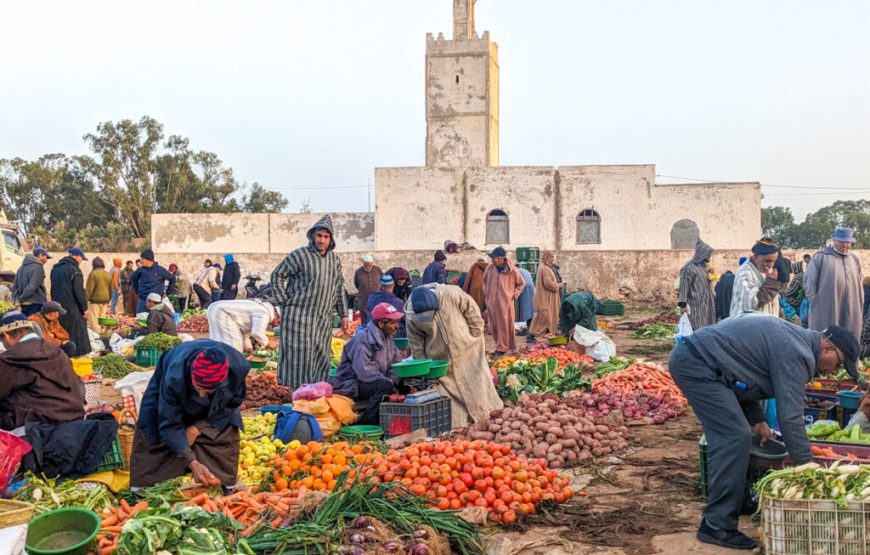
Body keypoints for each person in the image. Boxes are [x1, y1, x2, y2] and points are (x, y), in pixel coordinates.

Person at [669, 315, 858, 550]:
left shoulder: (796, 342)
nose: (834, 372)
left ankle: (736, 501)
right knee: (734, 436)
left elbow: (741, 375)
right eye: (839, 364)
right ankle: (716, 525)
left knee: (742, 434)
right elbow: (790, 418)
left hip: (708, 367)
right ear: (828, 347)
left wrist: (757, 419)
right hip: (696, 366)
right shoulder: (797, 352)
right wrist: (808, 468)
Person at [0, 313, 118, 478]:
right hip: (73, 428)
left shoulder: (11, 359)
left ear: (6, 335)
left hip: (36, 436)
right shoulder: (57, 351)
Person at [130, 340, 250, 488]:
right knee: (154, 433)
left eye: (208, 391)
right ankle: (146, 490)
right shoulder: (174, 376)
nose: (201, 394)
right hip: (168, 395)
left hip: (216, 406)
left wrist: (198, 428)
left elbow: (233, 403)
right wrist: (191, 461)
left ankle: (223, 487)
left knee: (223, 432)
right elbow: (170, 422)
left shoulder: (238, 369)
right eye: (198, 387)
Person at [405, 285, 504, 427]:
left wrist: (476, 333)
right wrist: (423, 365)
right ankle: (459, 424)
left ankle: (487, 413)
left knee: (477, 384)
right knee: (447, 393)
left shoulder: (452, 294)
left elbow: (472, 311)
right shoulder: (411, 313)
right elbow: (415, 342)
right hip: (439, 360)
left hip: (467, 350)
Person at [270, 215, 349, 387]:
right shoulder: (300, 255)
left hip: (322, 318)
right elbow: (277, 275)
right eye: (319, 236)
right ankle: (291, 394)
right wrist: (283, 301)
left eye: (326, 237)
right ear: (312, 236)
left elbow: (339, 287)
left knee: (320, 355)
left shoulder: (334, 260)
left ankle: (314, 393)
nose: (322, 240)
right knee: (297, 356)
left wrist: (344, 314)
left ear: (331, 239)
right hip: (298, 317)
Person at [329, 302, 404, 425]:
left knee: (404, 382)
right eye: (392, 322)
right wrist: (387, 381)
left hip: (376, 381)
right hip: (352, 384)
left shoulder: (388, 338)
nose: (397, 326)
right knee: (384, 386)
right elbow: (364, 372)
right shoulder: (363, 339)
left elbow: (397, 363)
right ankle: (367, 423)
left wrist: (393, 379)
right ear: (381, 324)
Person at [804, 227, 864, 342]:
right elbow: (809, 285)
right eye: (842, 241)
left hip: (852, 308)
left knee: (849, 342)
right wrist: (817, 306)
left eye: (848, 242)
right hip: (827, 310)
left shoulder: (854, 259)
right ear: (834, 240)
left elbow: (859, 282)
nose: (845, 245)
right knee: (826, 342)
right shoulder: (820, 257)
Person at [482, 247, 525, 355]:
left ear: (501, 259)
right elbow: (484, 281)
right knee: (493, 325)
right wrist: (487, 294)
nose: (492, 260)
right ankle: (500, 345)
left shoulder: (513, 270)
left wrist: (513, 295)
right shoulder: (490, 268)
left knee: (504, 325)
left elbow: (521, 283)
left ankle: (502, 348)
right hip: (491, 302)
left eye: (494, 258)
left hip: (505, 302)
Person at [49, 248, 90, 357]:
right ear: (77, 256)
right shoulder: (74, 270)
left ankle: (61, 355)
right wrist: (84, 309)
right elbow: (79, 292)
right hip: (73, 307)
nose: (81, 261)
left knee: (61, 331)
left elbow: (53, 289)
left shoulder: (55, 269)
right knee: (76, 333)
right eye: (81, 259)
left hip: (59, 307)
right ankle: (76, 355)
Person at [729, 238, 781, 318]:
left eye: (774, 261)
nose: (771, 265)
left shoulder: (764, 271)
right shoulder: (745, 273)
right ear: (756, 256)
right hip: (748, 326)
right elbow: (752, 302)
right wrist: (771, 283)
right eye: (767, 261)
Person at [207, 298, 279, 354]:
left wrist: (248, 347)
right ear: (276, 315)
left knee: (218, 340)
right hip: (222, 312)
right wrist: (268, 343)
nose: (276, 325)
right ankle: (229, 369)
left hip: (214, 307)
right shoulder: (265, 312)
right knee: (234, 347)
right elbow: (257, 332)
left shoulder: (262, 308)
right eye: (278, 322)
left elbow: (246, 331)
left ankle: (215, 365)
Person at [677, 239, 716, 331]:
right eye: (708, 254)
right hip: (695, 305)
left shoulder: (704, 266)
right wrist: (683, 305)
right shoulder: (689, 267)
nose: (710, 256)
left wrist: (711, 273)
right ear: (702, 253)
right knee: (696, 327)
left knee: (707, 328)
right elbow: (684, 286)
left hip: (706, 304)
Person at [529, 251, 563, 340]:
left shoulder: (544, 267)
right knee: (543, 316)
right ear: (547, 257)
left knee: (544, 316)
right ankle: (531, 335)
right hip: (545, 297)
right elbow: (548, 283)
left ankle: (541, 334)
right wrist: (558, 285)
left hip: (547, 297)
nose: (552, 259)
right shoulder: (544, 269)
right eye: (551, 257)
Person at [131, 249, 175, 314]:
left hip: (156, 302)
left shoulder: (160, 270)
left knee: (156, 320)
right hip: (143, 300)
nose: (141, 261)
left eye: (142, 259)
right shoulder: (140, 270)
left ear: (148, 259)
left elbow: (172, 278)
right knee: (141, 320)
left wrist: (167, 292)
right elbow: (133, 279)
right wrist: (137, 290)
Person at [12, 247, 51, 317]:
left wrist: (17, 300)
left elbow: (15, 286)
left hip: (24, 305)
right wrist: (21, 299)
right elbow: (32, 287)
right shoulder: (38, 268)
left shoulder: (21, 268)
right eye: (46, 257)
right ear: (40, 255)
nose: (46, 260)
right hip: (35, 304)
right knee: (35, 326)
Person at [85, 256, 113, 332]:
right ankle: (103, 334)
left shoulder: (93, 274)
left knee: (94, 320)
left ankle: (97, 336)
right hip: (105, 301)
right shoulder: (108, 274)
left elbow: (89, 290)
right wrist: (109, 298)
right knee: (102, 320)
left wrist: (85, 301)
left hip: (95, 302)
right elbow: (111, 289)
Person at [354, 254, 382, 325]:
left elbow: (382, 282)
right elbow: (356, 284)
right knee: (365, 321)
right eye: (366, 265)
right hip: (364, 300)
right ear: (363, 263)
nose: (368, 267)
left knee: (376, 320)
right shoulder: (358, 272)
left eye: (370, 265)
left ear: (372, 263)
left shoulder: (378, 270)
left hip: (376, 300)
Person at [517, 266, 535, 331]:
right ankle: (530, 326)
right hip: (531, 290)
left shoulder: (517, 271)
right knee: (530, 308)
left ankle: (528, 327)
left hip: (524, 289)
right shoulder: (526, 271)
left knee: (525, 308)